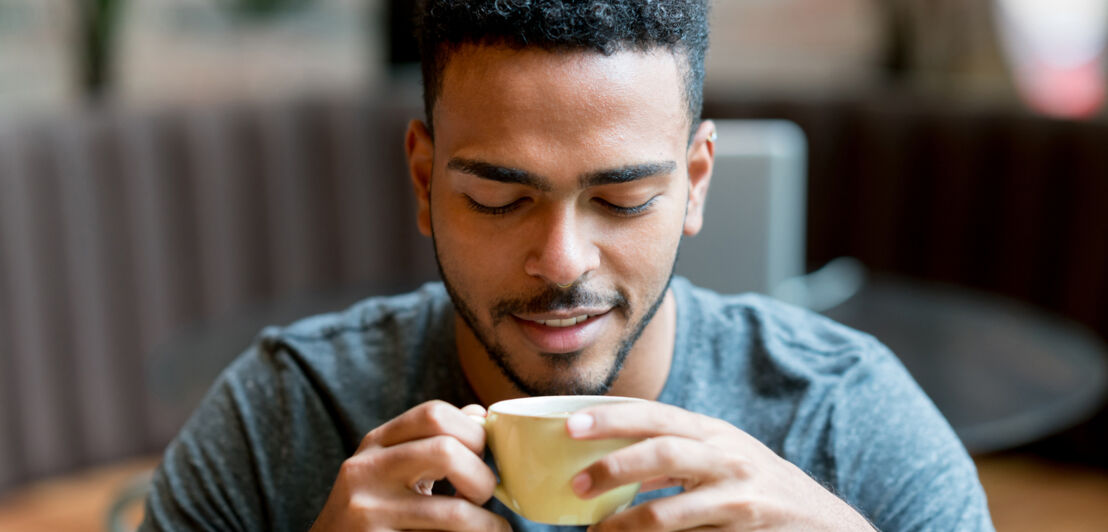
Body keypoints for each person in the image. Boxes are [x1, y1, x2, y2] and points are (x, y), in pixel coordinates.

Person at [140, 1, 995, 531]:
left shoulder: (843, 421)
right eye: (498, 199)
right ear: (425, 179)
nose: (561, 261)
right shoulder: (284, 414)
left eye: (622, 200)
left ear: (695, 183)